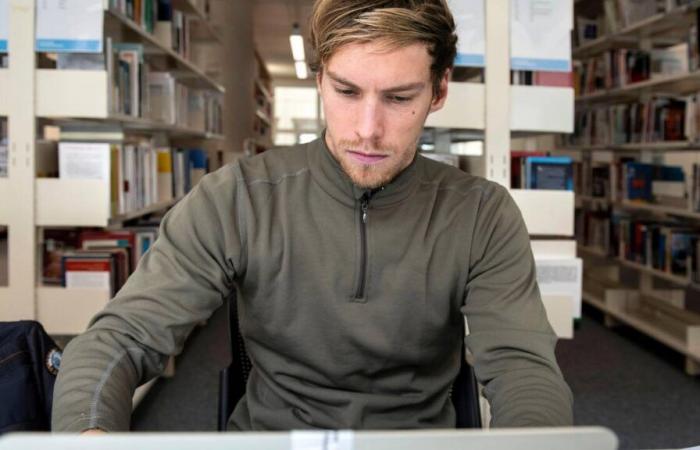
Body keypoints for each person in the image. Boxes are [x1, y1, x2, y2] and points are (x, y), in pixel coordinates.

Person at [52, 0, 573, 432]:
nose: (368, 129)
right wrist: (88, 433)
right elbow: (121, 338)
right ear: (320, 81)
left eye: (399, 97)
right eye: (347, 92)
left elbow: (523, 368)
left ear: (438, 91)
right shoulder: (236, 198)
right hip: (272, 442)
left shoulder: (481, 213)